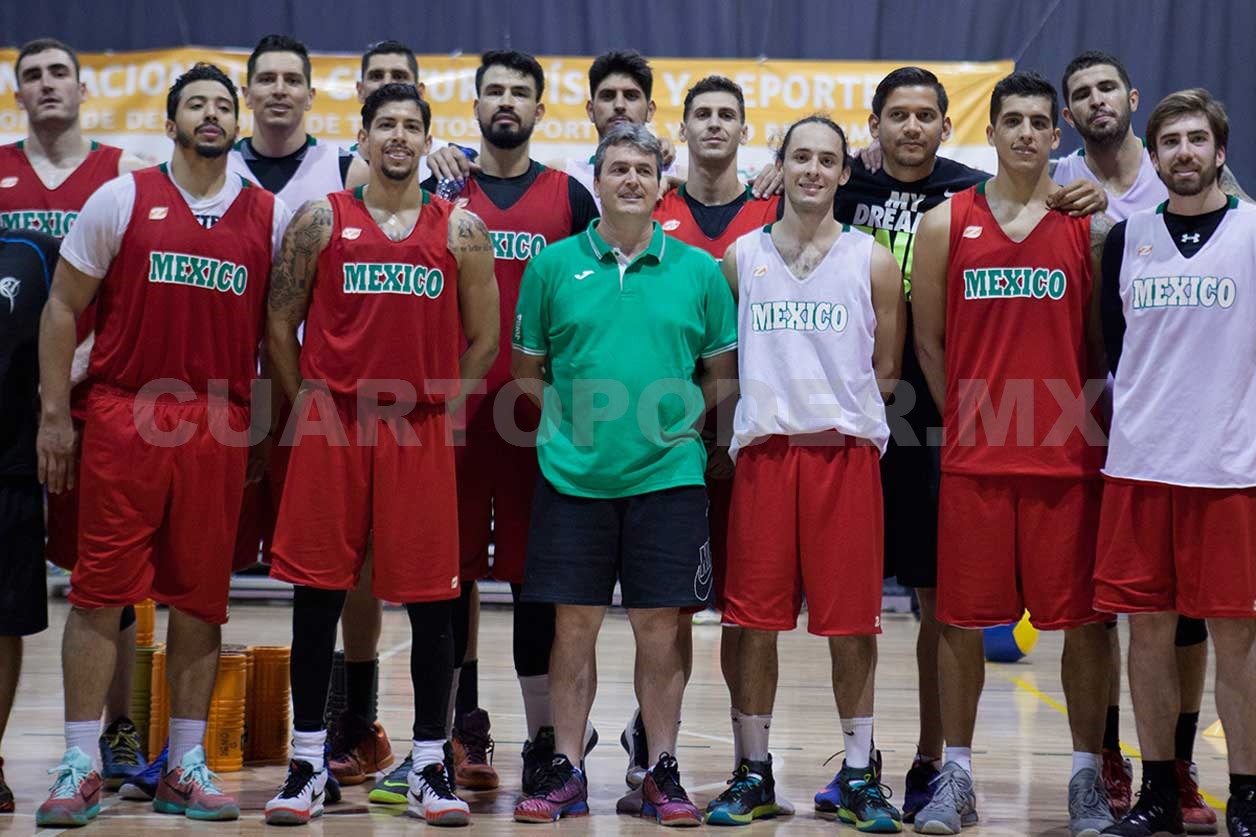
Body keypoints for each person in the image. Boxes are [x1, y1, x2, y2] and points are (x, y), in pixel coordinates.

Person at [34, 62, 289, 827]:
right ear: (171, 120)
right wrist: (55, 415)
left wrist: (266, 429)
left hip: (217, 422)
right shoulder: (122, 196)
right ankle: (81, 759)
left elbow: (278, 336)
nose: (210, 115)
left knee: (201, 600)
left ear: (236, 121)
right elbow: (59, 308)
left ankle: (184, 760)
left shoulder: (268, 215)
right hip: (123, 413)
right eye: (195, 105)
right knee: (98, 592)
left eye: (222, 105)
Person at [262, 83, 498, 827]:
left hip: (417, 428)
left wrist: (436, 405)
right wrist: (308, 403)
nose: (398, 135)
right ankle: (306, 762)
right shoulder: (320, 219)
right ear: (361, 137)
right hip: (334, 423)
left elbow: (486, 338)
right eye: (385, 124)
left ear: (427, 140)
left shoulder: (459, 229)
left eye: (411, 126)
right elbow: (278, 323)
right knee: (316, 597)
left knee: (434, 604)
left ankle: (430, 765)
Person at [510, 124, 736, 825]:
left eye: (643, 168)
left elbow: (721, 375)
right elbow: (525, 370)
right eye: (618, 168)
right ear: (597, 179)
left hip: (667, 478)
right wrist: (569, 427)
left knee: (660, 628)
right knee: (572, 626)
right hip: (573, 481)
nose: (631, 179)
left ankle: (660, 769)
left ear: (662, 183)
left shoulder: (698, 270)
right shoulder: (551, 266)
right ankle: (569, 767)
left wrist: (684, 430)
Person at [910, 71, 1115, 836]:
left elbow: (1096, 343)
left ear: (1056, 135)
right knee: (960, 623)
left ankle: (1085, 779)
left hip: (1066, 460)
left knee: (1086, 626)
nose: (1026, 133)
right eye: (1012, 121)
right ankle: (956, 775)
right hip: (976, 459)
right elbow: (930, 340)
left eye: (1039, 122)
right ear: (990, 133)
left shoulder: (1084, 229)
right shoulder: (945, 222)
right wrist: (968, 412)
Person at [1057, 52, 1250, 830]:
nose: (1182, 152)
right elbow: (1112, 349)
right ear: (1156, 150)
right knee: (1146, 637)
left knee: (1236, 639)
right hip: (1139, 467)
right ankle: (1161, 788)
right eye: (1170, 141)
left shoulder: (1253, 232)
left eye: (1196, 139)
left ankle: (1247, 788)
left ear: (1220, 152)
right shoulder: (1126, 239)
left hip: (1229, 469)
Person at [709, 114, 905, 833]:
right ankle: (753, 770)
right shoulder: (740, 256)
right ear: (781, 165)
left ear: (844, 171)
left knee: (852, 627)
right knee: (753, 624)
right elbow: (722, 366)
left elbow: (886, 370)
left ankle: (858, 773)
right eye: (801, 158)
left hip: (845, 460)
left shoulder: (873, 260)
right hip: (764, 457)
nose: (814, 170)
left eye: (827, 160)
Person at [417, 50, 598, 795]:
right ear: (475, 103)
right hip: (452, 419)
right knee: (445, 578)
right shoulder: (437, 189)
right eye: (493, 90)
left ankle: (541, 739)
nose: (506, 102)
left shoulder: (570, 197)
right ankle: (457, 729)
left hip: (535, 422)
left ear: (539, 110)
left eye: (520, 93)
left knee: (534, 583)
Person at [828, 67, 990, 824]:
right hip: (848, 415)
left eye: (927, 114)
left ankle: (932, 757)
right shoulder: (839, 190)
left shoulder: (971, 194)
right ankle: (859, 763)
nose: (913, 127)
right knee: (851, 599)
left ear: (946, 126)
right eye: (899, 115)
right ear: (875, 123)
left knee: (940, 599)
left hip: (933, 418)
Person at [1, 38, 150, 794]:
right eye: (32, 75)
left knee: (107, 579)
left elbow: (124, 298)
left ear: (84, 89)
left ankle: (116, 731)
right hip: (5, 411)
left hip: (92, 398)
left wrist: (68, 381)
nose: (47, 85)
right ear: (17, 92)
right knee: (8, 585)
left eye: (59, 73)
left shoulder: (122, 172)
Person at [648, 74, 787, 818]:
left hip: (752, 442)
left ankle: (749, 761)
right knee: (664, 610)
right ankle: (656, 751)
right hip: (667, 444)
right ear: (683, 125)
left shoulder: (775, 204)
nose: (713, 125)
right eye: (700, 113)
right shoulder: (654, 204)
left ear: (743, 128)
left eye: (726, 114)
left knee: (746, 611)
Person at [0, 226, 60, 814]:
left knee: (5, 621)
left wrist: (55, 410)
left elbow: (78, 319)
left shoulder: (32, 250)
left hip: (10, 467)